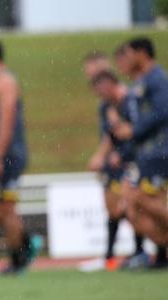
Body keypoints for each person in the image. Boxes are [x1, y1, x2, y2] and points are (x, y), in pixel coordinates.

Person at [0, 39, 42, 274]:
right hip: (2, 155)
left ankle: (17, 261)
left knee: (7, 209)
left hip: (8, 156)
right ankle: (26, 241)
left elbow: (7, 120)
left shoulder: (6, 82)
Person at [110, 37, 168, 269]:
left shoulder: (156, 78)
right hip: (145, 153)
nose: (127, 58)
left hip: (161, 150)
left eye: (130, 53)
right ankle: (163, 248)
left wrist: (134, 129)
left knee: (139, 197)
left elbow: (163, 110)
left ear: (142, 53)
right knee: (130, 203)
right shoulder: (139, 83)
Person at [86, 69, 147, 270]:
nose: (99, 96)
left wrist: (122, 154)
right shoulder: (109, 106)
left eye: (100, 90)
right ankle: (114, 256)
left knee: (131, 207)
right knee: (116, 209)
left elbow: (137, 133)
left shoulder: (130, 100)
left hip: (134, 162)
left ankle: (141, 252)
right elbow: (112, 135)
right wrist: (101, 155)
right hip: (119, 163)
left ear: (108, 85)